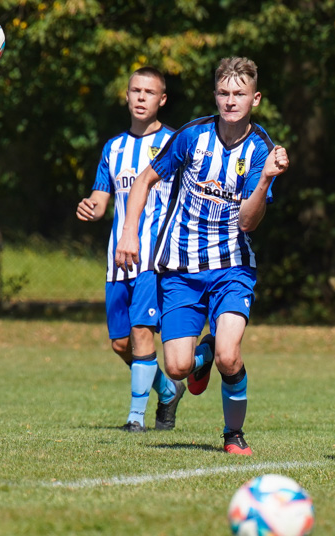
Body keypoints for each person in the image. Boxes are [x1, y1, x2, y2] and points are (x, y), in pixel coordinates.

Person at [114, 57, 289, 455]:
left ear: (255, 99)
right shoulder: (193, 136)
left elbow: (249, 221)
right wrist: (129, 232)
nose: (231, 101)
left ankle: (232, 435)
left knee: (230, 356)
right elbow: (144, 180)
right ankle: (202, 352)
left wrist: (264, 180)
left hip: (232, 268)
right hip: (181, 269)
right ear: (215, 95)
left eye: (239, 94)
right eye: (224, 93)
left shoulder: (262, 149)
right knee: (177, 367)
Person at [76, 66, 185, 433]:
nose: (141, 98)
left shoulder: (175, 143)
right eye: (135, 91)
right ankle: (168, 389)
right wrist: (89, 207)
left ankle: (135, 419)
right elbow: (101, 197)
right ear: (126, 96)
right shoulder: (113, 147)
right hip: (117, 258)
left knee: (142, 332)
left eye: (149, 92)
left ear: (162, 100)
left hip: (155, 257)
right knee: (120, 343)